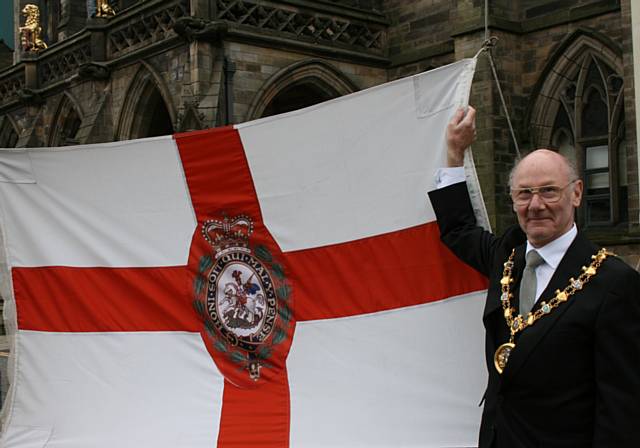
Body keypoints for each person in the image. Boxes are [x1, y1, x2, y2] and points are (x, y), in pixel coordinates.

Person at [428, 106, 640, 447]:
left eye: (549, 191)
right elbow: (458, 230)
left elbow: (622, 409)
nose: (535, 204)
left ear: (576, 193)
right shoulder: (506, 256)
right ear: (513, 200)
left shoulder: (614, 282)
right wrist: (454, 153)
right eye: (524, 193)